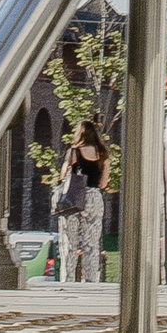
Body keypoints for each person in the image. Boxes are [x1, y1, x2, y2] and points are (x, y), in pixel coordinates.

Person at [52, 118, 108, 284]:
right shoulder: (103, 154)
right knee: (91, 244)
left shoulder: (73, 152)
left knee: (70, 242)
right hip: (94, 197)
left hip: (74, 197)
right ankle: (90, 279)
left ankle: (68, 279)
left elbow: (63, 176)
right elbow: (104, 183)